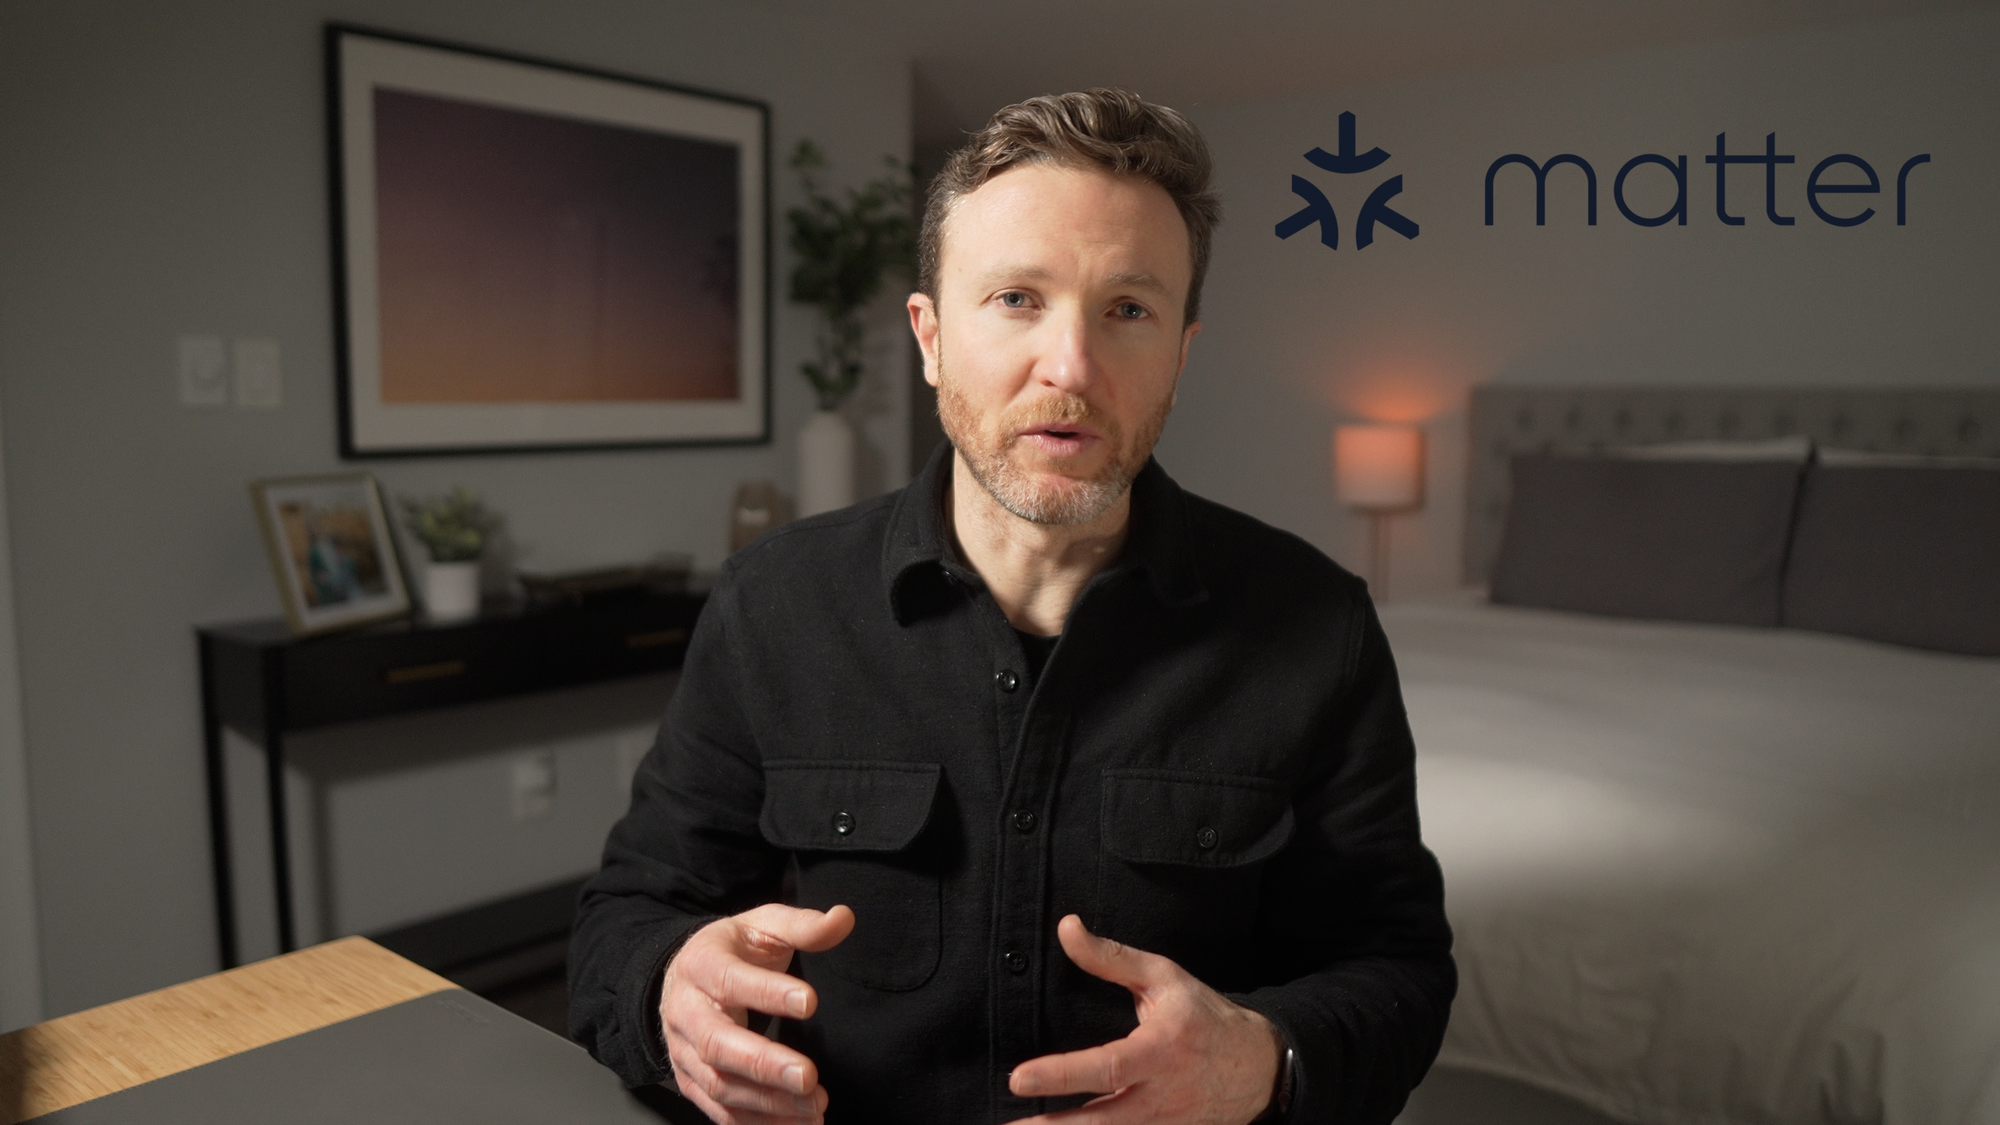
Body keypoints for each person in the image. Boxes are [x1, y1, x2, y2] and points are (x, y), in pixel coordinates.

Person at [569, 87, 1454, 1125]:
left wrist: (1260, 1059)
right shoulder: (772, 605)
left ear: (1179, 354)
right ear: (930, 336)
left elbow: (1396, 970)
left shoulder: (1319, 627)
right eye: (1016, 299)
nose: (1069, 366)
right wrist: (667, 988)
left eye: (1128, 310)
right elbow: (626, 914)